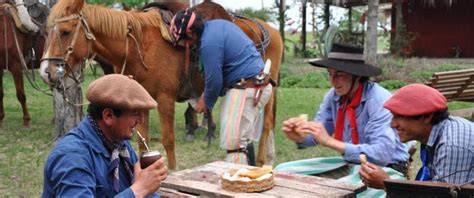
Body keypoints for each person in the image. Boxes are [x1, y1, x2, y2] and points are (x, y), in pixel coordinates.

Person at [281, 43, 410, 176]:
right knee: (283, 171)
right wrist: (300, 137)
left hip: (387, 169)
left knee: (332, 192)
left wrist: (330, 142)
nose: (333, 81)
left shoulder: (378, 101)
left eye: (339, 74)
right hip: (354, 164)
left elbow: (381, 154)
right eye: (330, 74)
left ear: (357, 75)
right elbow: (319, 133)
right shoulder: (334, 96)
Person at [169, 9, 273, 165]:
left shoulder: (208, 43)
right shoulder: (218, 26)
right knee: (242, 140)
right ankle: (251, 181)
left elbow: (214, 79)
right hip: (255, 86)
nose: (186, 46)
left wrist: (205, 101)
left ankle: (238, 185)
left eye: (184, 42)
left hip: (246, 89)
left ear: (190, 33)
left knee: (234, 145)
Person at [42, 74, 167, 197]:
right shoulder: (72, 156)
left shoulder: (120, 145)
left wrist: (148, 185)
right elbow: (138, 190)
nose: (141, 120)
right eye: (135, 113)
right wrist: (139, 190)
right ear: (108, 116)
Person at [359, 84, 474, 189]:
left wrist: (387, 184)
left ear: (427, 117)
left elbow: (446, 196)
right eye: (393, 117)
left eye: (400, 117)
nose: (392, 124)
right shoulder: (434, 132)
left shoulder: (451, 146)